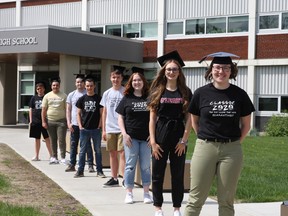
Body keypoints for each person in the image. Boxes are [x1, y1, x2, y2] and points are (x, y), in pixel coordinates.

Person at [184, 52, 255, 216]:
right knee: (195, 199)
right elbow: (195, 121)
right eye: (217, 67)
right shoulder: (201, 93)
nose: (221, 71)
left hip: (231, 150)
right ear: (211, 70)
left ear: (231, 71)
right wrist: (205, 138)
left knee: (226, 201)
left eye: (225, 68)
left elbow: (246, 125)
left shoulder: (239, 95)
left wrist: (234, 143)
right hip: (205, 147)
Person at [148, 51, 192, 216]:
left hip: (178, 137)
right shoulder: (157, 91)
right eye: (168, 69)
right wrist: (153, 142)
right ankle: (158, 207)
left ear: (179, 72)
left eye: (174, 69)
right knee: (157, 173)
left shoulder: (185, 92)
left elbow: (189, 118)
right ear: (164, 71)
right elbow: (152, 119)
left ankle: (177, 208)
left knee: (177, 174)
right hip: (160, 136)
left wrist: (184, 140)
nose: (171, 72)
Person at [116, 67, 153, 204]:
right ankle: (129, 193)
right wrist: (124, 134)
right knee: (130, 165)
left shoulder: (150, 98)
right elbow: (120, 118)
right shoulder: (126, 98)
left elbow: (155, 118)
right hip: (131, 138)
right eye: (134, 80)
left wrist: (152, 135)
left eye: (139, 80)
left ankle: (146, 193)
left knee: (145, 166)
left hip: (146, 139)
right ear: (131, 83)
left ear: (143, 82)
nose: (137, 82)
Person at [74, 76, 106, 178]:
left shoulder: (99, 99)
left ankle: (99, 171)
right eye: (87, 86)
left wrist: (100, 125)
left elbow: (102, 114)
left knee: (98, 151)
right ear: (85, 86)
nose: (89, 88)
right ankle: (80, 171)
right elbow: (78, 114)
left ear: (94, 86)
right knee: (82, 151)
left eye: (91, 86)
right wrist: (80, 126)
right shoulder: (81, 99)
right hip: (84, 129)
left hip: (95, 129)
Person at [101, 65, 126, 187]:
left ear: (122, 78)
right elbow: (104, 112)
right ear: (110, 78)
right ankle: (114, 178)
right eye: (113, 77)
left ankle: (125, 178)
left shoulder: (126, 92)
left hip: (122, 128)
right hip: (110, 128)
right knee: (112, 153)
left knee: (122, 153)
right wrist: (103, 130)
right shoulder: (107, 93)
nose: (115, 79)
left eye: (118, 77)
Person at [65, 74, 94, 172]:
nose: (79, 84)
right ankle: (72, 164)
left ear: (84, 84)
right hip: (74, 124)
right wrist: (69, 123)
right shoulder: (71, 95)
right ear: (75, 83)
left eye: (81, 82)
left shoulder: (88, 94)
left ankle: (90, 165)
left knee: (87, 146)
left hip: (86, 125)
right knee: (73, 145)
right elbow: (68, 110)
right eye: (77, 82)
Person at [41, 77, 67, 165]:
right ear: (51, 86)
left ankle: (63, 157)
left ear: (59, 86)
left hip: (61, 121)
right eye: (53, 85)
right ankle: (54, 157)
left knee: (61, 139)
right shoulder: (47, 96)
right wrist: (43, 121)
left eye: (57, 85)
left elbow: (67, 109)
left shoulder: (64, 95)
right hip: (50, 121)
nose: (55, 86)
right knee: (52, 139)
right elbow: (43, 110)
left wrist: (68, 121)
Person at [29, 81, 53, 161]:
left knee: (47, 138)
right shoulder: (33, 98)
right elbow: (31, 109)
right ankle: (36, 156)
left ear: (44, 89)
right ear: (36, 90)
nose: (39, 90)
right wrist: (31, 120)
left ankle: (51, 156)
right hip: (35, 122)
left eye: (41, 88)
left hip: (45, 121)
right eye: (38, 89)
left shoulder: (46, 97)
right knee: (37, 139)